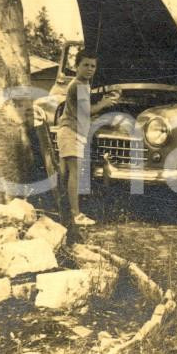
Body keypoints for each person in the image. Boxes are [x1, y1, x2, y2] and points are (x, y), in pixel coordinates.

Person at [57, 50, 119, 226]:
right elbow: (87, 111)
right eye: (85, 65)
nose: (90, 69)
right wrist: (104, 103)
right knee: (74, 173)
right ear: (77, 66)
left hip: (72, 131)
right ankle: (76, 215)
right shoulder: (79, 85)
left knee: (66, 173)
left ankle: (66, 212)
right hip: (71, 132)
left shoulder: (82, 85)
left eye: (93, 66)